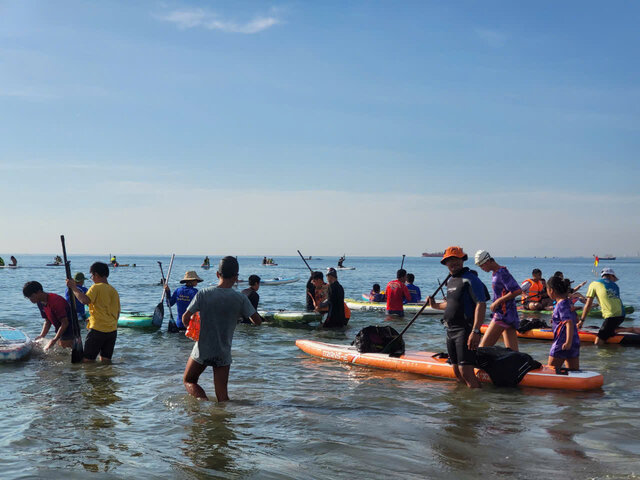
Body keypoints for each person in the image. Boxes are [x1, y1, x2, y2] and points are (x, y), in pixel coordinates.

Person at [182, 256, 262, 401]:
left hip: (203, 349)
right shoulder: (240, 299)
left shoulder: (204, 293)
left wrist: (192, 329)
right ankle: (222, 419)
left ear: (218, 274)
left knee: (189, 381)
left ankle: (203, 405)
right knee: (223, 397)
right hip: (223, 351)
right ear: (236, 277)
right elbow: (257, 321)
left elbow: (185, 318)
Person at [427, 246, 489, 388]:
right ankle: (462, 405)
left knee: (466, 371)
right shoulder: (451, 280)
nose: (453, 263)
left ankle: (477, 404)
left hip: (465, 330)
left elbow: (481, 304)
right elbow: (450, 304)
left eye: (456, 259)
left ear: (462, 260)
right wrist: (435, 305)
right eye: (450, 260)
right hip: (450, 330)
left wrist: (476, 331)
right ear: (445, 263)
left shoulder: (471, 279)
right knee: (456, 371)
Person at [67, 261, 120, 363]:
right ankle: (105, 378)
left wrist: (73, 287)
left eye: (91, 275)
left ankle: (92, 378)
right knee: (105, 361)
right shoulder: (114, 291)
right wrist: (91, 318)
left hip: (97, 331)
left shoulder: (96, 287)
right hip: (112, 331)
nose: (91, 278)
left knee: (88, 362)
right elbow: (116, 313)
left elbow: (84, 300)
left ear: (96, 274)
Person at [578, 268, 640, 345]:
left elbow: (588, 304)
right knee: (610, 330)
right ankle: (626, 330)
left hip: (612, 316)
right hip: (621, 314)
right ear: (611, 276)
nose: (614, 280)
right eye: (614, 278)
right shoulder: (615, 286)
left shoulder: (593, 284)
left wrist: (582, 320)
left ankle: (631, 329)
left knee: (598, 342)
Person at [474, 250, 521, 351]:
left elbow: (517, 290)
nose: (482, 269)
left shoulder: (502, 272)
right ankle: (514, 366)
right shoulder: (496, 273)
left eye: (481, 266)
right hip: (509, 315)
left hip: (502, 315)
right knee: (513, 352)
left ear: (487, 262)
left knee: (482, 348)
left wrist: (497, 302)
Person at [23, 281, 74, 351]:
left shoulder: (56, 301)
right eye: (28, 298)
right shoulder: (40, 302)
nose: (31, 300)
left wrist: (54, 339)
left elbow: (65, 323)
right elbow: (47, 321)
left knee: (64, 351)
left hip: (70, 329)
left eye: (32, 296)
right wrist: (42, 336)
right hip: (60, 329)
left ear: (39, 292)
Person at [546, 276, 580, 370]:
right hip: (574, 340)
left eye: (547, 289)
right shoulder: (568, 302)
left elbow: (568, 322)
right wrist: (556, 320)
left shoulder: (561, 304)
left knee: (551, 370)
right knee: (573, 372)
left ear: (551, 290)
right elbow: (576, 319)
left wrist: (567, 342)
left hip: (562, 342)